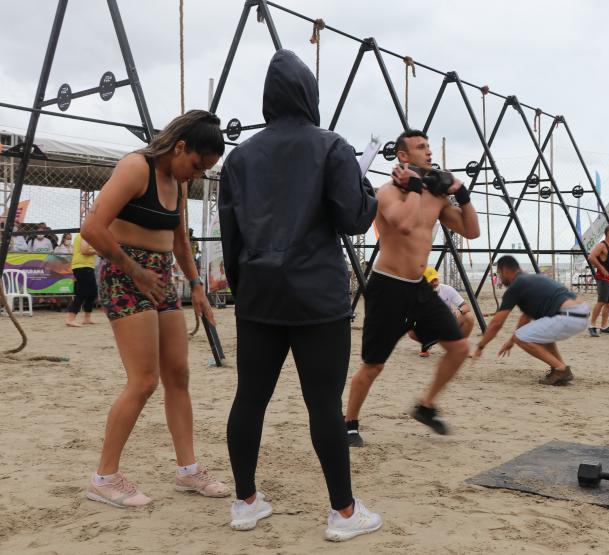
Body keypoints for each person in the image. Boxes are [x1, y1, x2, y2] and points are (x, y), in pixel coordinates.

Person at [219, 50, 381, 539]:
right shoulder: (331, 147)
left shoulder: (239, 157)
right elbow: (355, 218)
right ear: (310, 94)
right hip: (317, 297)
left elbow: (231, 237)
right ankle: (343, 513)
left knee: (249, 398)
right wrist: (366, 185)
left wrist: (246, 290)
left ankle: (245, 501)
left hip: (259, 296)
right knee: (323, 405)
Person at [80, 110, 230, 508]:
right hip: (123, 271)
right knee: (144, 381)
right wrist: (134, 271)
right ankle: (104, 477)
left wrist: (197, 286)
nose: (195, 175)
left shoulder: (178, 183)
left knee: (178, 374)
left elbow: (180, 238)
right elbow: (91, 229)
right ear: (180, 147)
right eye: (196, 165)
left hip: (160, 275)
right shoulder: (135, 167)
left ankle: (187, 470)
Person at [345, 129, 479, 446]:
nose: (429, 151)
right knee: (373, 365)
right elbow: (404, 225)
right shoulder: (388, 192)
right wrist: (417, 188)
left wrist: (462, 194)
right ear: (403, 156)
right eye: (421, 147)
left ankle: (426, 406)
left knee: (459, 348)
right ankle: (349, 422)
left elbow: (471, 231)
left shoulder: (436, 197)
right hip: (387, 288)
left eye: (429, 146)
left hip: (419, 288)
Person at [473, 255, 589, 385]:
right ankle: (559, 367)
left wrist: (481, 346)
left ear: (505, 270)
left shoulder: (516, 286)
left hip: (568, 315)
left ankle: (561, 369)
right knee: (540, 335)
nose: (499, 278)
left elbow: (497, 323)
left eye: (499, 274)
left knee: (521, 337)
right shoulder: (531, 279)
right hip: (581, 313)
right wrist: (511, 341)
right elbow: (526, 316)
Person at [411, 267, 474, 356]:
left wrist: (459, 310)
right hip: (430, 325)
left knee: (469, 316)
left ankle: (460, 346)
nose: (435, 283)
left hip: (448, 322)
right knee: (411, 329)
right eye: (431, 281)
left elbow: (466, 306)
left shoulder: (447, 289)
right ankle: (427, 344)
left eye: (435, 279)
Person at [586, 225, 609, 336]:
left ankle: (604, 326)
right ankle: (592, 326)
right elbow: (591, 257)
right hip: (603, 278)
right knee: (601, 302)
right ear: (608, 233)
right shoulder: (602, 245)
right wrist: (601, 268)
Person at [65, 233, 98, 327]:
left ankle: (87, 318)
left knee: (92, 292)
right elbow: (84, 250)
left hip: (86, 266)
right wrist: (97, 251)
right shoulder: (85, 234)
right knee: (82, 292)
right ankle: (71, 318)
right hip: (82, 266)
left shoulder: (89, 235)